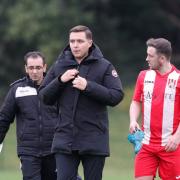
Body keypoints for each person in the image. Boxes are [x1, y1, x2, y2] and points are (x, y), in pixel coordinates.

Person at [39, 25, 124, 180]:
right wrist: (60, 80)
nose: (75, 45)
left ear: (90, 42)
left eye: (80, 41)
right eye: (72, 41)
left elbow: (116, 96)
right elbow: (44, 97)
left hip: (94, 138)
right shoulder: (59, 65)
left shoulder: (104, 66)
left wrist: (88, 86)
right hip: (65, 139)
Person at [0, 51, 57, 180]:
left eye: (38, 67)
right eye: (31, 68)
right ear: (26, 68)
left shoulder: (55, 88)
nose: (35, 71)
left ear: (44, 67)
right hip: (28, 152)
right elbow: (4, 119)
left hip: (54, 150)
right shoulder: (17, 90)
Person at [129, 38, 180, 180]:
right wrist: (133, 120)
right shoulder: (143, 76)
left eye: (150, 56)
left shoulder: (178, 78)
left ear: (162, 58)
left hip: (171, 146)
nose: (146, 59)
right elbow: (135, 101)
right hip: (146, 145)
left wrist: (177, 137)